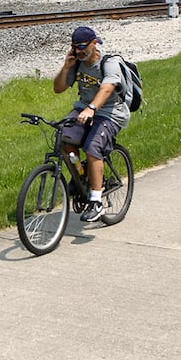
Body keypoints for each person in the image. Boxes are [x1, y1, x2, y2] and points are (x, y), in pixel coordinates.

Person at [52, 25, 130, 221]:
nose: (79, 51)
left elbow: (107, 88)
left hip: (110, 113)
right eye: (75, 47)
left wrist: (92, 108)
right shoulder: (77, 63)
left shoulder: (109, 63)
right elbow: (58, 88)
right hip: (83, 110)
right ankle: (82, 175)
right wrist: (66, 66)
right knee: (65, 139)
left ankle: (96, 201)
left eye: (83, 46)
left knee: (92, 147)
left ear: (95, 43)